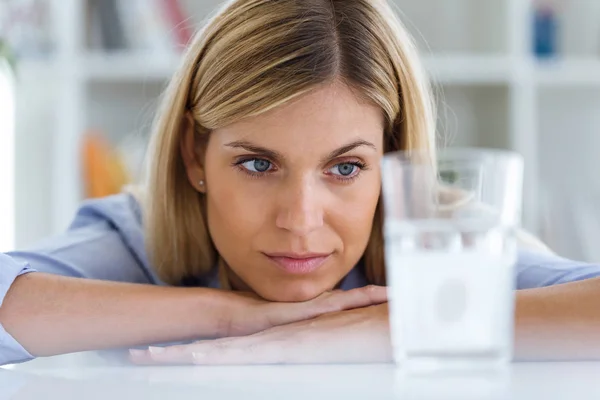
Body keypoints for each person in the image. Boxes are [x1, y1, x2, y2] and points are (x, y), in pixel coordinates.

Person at [2, 0, 600, 367]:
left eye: (345, 168)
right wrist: (229, 315)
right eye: (259, 164)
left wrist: (385, 325)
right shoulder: (138, 234)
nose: (301, 219)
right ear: (194, 154)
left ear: (392, 165)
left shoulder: (440, 239)